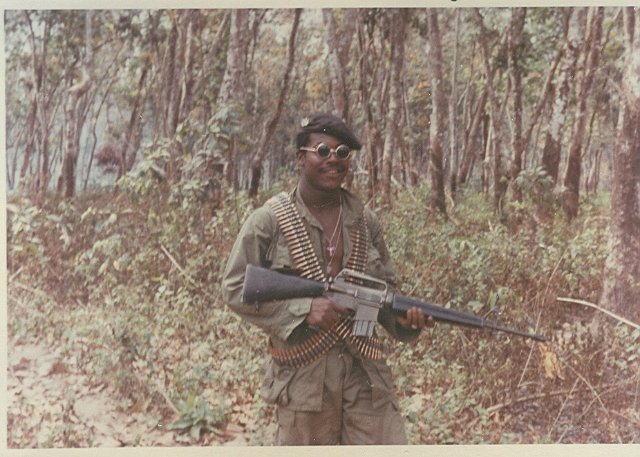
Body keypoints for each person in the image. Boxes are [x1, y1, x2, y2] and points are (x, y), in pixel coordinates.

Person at [222, 113, 429, 445]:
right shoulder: (270, 220)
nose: (334, 159)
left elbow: (384, 294)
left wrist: (405, 322)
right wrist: (303, 310)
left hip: (365, 376)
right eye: (323, 150)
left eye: (343, 152)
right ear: (301, 157)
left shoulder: (365, 222)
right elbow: (234, 288)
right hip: (304, 382)